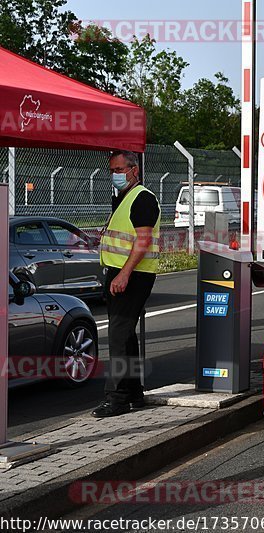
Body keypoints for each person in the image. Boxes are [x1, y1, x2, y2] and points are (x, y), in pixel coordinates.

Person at [92, 150, 161, 418]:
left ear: (135, 170)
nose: (115, 175)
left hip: (133, 275)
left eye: (120, 169)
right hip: (121, 272)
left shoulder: (142, 198)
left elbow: (142, 240)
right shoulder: (123, 197)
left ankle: (117, 398)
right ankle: (133, 392)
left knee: (119, 334)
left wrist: (124, 274)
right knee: (126, 334)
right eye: (112, 170)